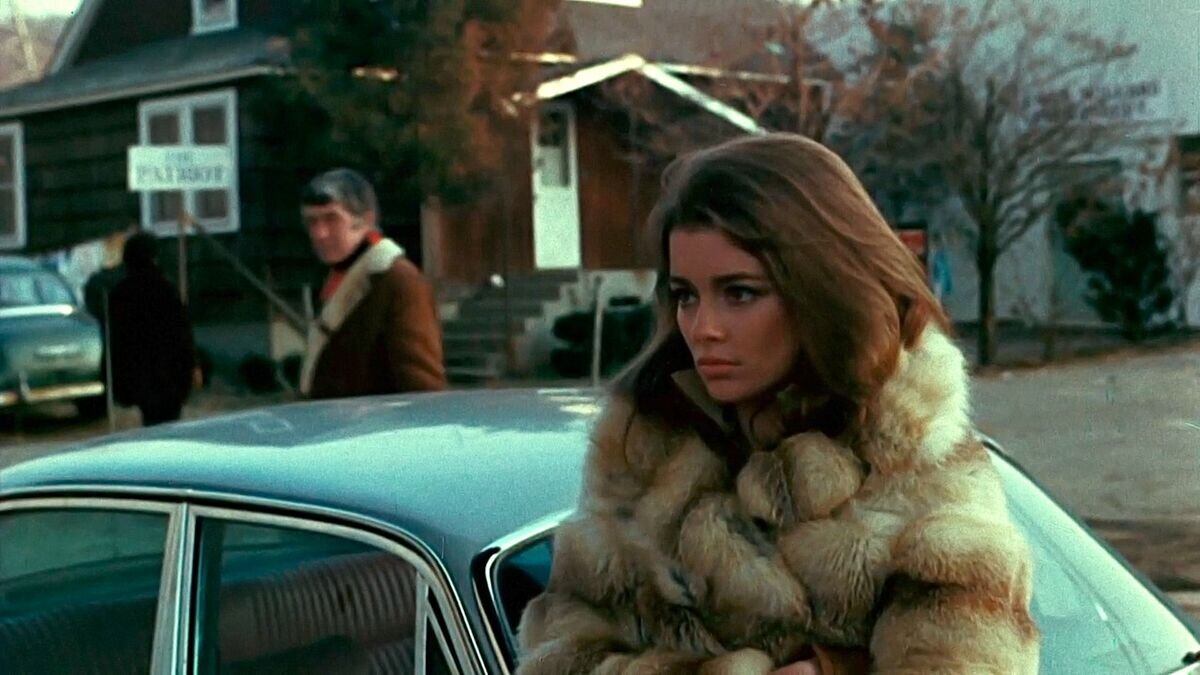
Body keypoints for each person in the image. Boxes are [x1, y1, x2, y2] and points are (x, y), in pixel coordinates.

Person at [516, 134, 1039, 674]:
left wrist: (833, 671)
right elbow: (560, 657)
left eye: (739, 293)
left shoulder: (923, 472)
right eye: (686, 295)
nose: (703, 328)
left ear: (821, 289)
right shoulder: (643, 453)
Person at [299, 168, 446, 398]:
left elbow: (422, 390)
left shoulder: (399, 282)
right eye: (312, 221)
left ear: (366, 220)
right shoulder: (333, 274)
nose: (319, 233)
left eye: (331, 219)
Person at [108, 232, 196, 426]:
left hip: (138, 374)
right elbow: (182, 336)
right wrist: (189, 371)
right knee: (169, 424)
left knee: (151, 421)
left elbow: (116, 341)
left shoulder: (120, 294)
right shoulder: (166, 290)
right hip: (169, 374)